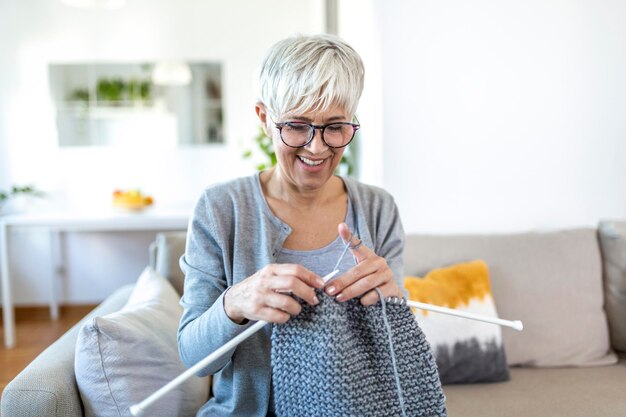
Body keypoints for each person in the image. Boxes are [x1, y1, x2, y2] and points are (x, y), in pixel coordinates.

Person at [178, 33, 406, 417]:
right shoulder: (220, 209)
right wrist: (235, 303)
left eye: (335, 127)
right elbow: (196, 359)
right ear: (265, 118)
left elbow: (396, 360)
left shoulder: (378, 209)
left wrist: (394, 304)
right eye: (298, 126)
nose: (317, 148)